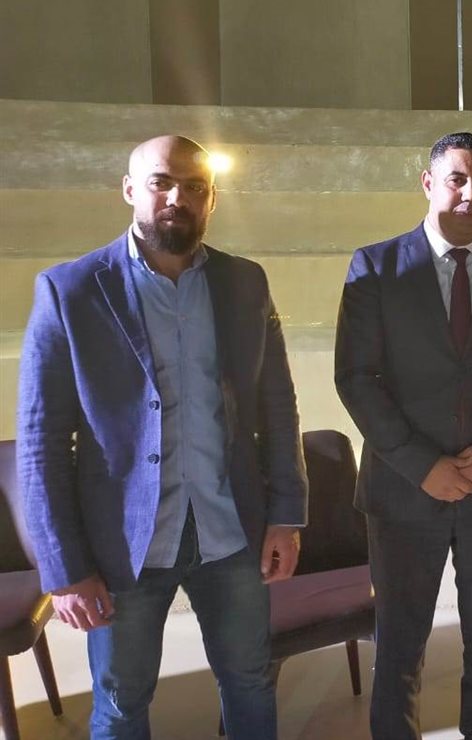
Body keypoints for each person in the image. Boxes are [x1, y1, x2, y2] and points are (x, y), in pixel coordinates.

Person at [16, 134, 308, 739]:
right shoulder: (70, 290)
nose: (178, 197)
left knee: (250, 681)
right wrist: (64, 567)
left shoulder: (245, 282)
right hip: (123, 546)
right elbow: (42, 440)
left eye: (195, 187)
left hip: (231, 531)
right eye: (161, 182)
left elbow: (277, 407)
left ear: (212, 200)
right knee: (121, 703)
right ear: (129, 189)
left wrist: (286, 514)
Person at [335, 131, 472, 740]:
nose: (470, 193)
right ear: (429, 183)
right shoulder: (375, 266)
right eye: (458, 179)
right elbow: (356, 378)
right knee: (401, 640)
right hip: (403, 490)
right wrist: (422, 465)